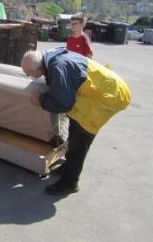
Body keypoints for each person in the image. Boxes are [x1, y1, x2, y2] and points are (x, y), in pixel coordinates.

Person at [21, 48, 131, 195]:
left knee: (81, 138)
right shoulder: (50, 58)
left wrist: (41, 101)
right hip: (100, 87)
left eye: (28, 73)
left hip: (108, 96)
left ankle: (70, 183)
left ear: (39, 68)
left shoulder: (57, 67)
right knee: (74, 131)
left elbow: (64, 103)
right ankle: (68, 167)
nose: (28, 76)